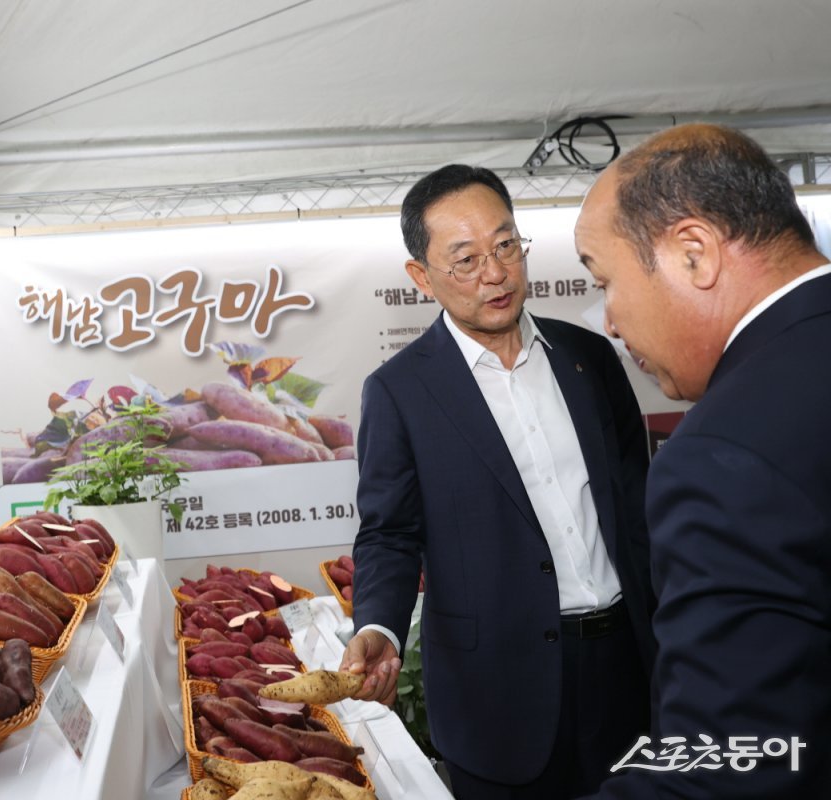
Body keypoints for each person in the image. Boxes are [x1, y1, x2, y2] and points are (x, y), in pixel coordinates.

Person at [341, 164, 657, 799]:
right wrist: (378, 625)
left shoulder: (588, 358)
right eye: (465, 259)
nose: (495, 272)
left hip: (629, 665)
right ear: (420, 275)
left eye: (506, 245)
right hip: (499, 694)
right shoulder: (400, 392)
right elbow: (390, 534)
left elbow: (639, 502)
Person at [574, 123, 831, 798]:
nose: (610, 320)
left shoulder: (723, 456)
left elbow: (732, 768)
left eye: (607, 282)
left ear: (694, 253)